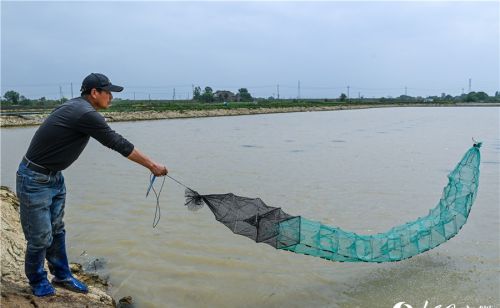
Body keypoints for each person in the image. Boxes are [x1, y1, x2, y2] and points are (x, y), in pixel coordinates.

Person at [16, 73, 168, 297]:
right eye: (108, 93)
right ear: (94, 92)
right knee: (39, 236)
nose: (111, 98)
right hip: (35, 178)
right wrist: (152, 165)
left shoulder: (78, 108)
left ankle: (63, 275)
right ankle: (38, 281)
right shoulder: (84, 113)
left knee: (57, 230)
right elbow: (117, 142)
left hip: (54, 177)